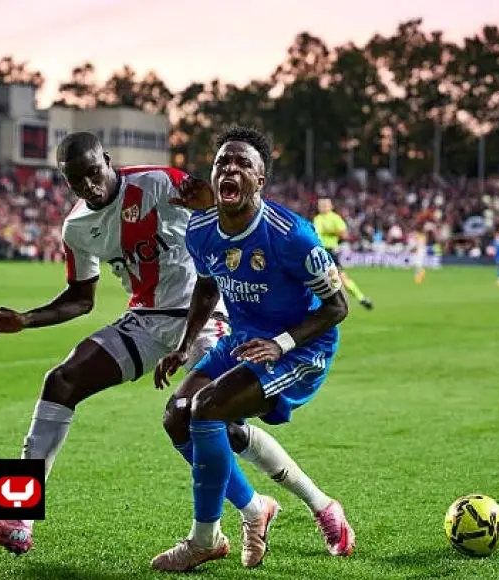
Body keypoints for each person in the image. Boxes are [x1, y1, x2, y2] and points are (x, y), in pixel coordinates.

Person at [0, 132, 338, 557]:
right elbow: (81, 299)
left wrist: (213, 199)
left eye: (93, 172)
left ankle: (292, 507)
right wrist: (26, 319)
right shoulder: (77, 227)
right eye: (75, 180)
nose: (88, 186)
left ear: (108, 159)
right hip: (148, 320)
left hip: (211, 316)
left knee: (205, 417)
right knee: (62, 381)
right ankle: (18, 516)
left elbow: (222, 202)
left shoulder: (157, 182)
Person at [151, 127, 355, 572]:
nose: (231, 168)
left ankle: (204, 539)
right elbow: (207, 287)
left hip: (300, 349)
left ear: (260, 181)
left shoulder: (293, 236)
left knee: (207, 410)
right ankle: (295, 507)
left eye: (244, 163)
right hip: (242, 340)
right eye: (224, 161)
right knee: (178, 417)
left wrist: (281, 344)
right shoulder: (201, 228)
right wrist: (185, 346)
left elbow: (338, 307)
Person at [312, 198, 373, 309]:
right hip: (317, 251)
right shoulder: (317, 219)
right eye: (321, 205)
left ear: (331, 206)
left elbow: (344, 234)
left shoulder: (335, 218)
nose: (323, 207)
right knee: (313, 279)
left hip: (330, 251)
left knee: (341, 278)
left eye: (325, 205)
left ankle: (361, 298)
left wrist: (330, 231)